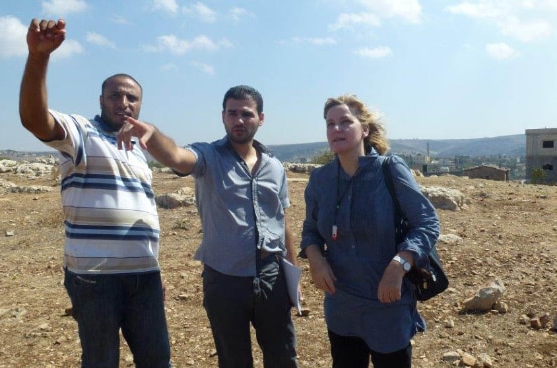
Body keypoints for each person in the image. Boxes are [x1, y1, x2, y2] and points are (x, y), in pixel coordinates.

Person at [18, 18, 171, 368]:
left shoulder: (138, 149)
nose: (124, 102)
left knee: (158, 360)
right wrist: (38, 58)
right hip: (95, 279)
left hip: (144, 279)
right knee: (101, 361)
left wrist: (154, 271)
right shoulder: (82, 133)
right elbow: (34, 119)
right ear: (100, 99)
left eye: (132, 97)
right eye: (115, 95)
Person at [117, 85, 299, 368]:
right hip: (224, 280)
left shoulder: (274, 166)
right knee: (233, 360)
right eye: (232, 113)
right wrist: (151, 134)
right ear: (223, 116)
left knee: (283, 356)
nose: (239, 120)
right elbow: (178, 157)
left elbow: (281, 217)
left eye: (247, 114)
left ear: (260, 118)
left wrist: (292, 272)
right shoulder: (209, 156)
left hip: (271, 277)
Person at [300, 94, 440, 368]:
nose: (336, 129)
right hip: (341, 307)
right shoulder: (320, 179)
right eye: (330, 124)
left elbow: (427, 222)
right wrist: (316, 261)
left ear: (364, 129)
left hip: (387, 302)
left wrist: (398, 265)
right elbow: (311, 231)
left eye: (344, 122)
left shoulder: (389, 169)